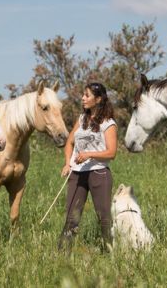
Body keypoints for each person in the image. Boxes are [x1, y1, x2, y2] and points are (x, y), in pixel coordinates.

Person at [59, 82, 117, 251]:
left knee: (104, 217)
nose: (83, 98)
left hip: (99, 173)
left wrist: (89, 154)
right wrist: (67, 163)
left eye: (87, 95)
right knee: (72, 217)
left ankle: (109, 252)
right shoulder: (81, 119)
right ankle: (62, 255)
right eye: (83, 95)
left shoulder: (108, 123)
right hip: (77, 175)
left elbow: (111, 153)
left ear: (98, 99)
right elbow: (69, 143)